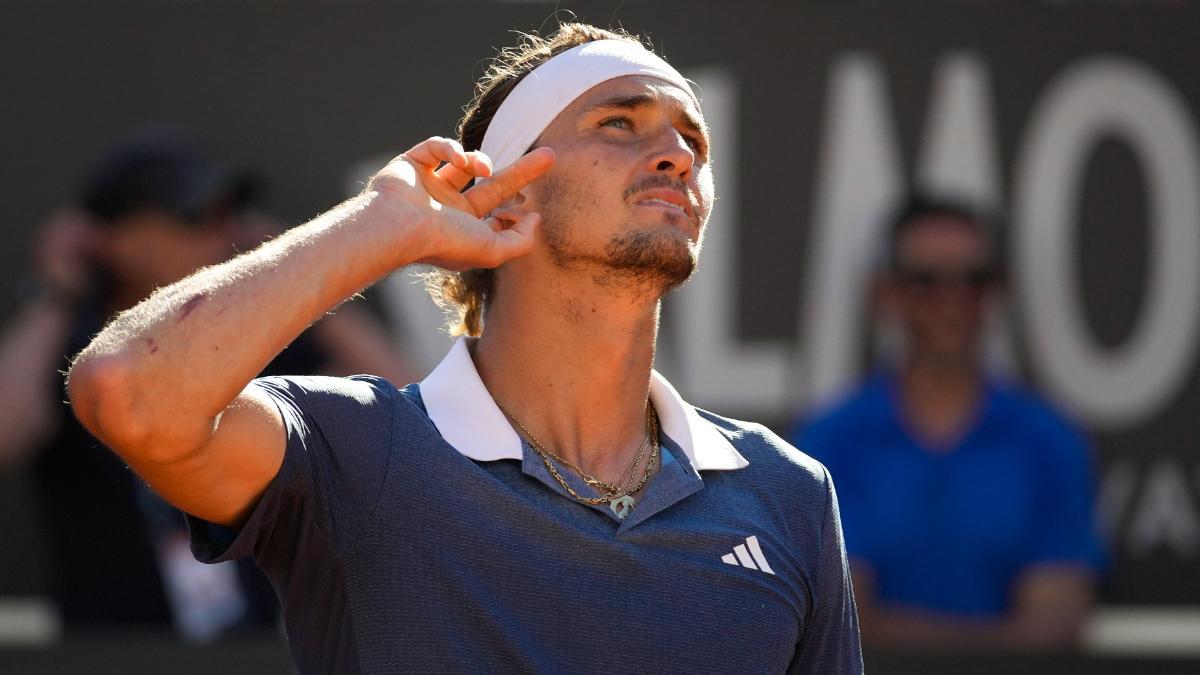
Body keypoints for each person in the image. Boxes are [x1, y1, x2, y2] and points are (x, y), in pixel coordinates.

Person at [66, 24, 862, 673]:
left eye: (692, 139)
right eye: (619, 122)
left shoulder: (789, 493)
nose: (678, 155)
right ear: (508, 187)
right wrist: (380, 226)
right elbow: (125, 392)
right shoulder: (355, 447)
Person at [0, 127, 415, 639]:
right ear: (116, 237)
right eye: (193, 217)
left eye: (226, 216)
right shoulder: (68, 344)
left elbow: (402, 407)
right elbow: (8, 431)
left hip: (262, 650)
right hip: (115, 652)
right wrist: (54, 290)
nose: (219, 236)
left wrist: (298, 276)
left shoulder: (263, 347)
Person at [791, 193, 1104, 649]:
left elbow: (1057, 623)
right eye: (926, 281)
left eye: (973, 280)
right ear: (887, 293)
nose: (952, 300)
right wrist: (1000, 641)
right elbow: (841, 621)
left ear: (998, 291)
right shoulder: (831, 442)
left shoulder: (1049, 443)